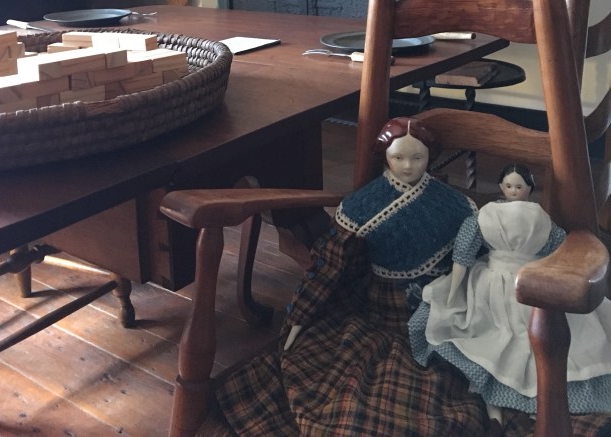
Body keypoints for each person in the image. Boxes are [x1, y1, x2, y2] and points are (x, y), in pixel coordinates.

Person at [214, 117, 490, 436]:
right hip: (379, 307)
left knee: (448, 380)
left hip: (439, 308)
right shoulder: (364, 205)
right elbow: (329, 265)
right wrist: (299, 319)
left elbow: (476, 254)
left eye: (418, 157)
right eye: (398, 157)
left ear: (431, 157)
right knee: (341, 373)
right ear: (384, 156)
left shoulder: (453, 204)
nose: (408, 166)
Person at [409, 162, 611, 426]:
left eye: (519, 186)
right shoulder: (531, 219)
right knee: (500, 337)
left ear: (529, 188)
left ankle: (505, 403)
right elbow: (462, 257)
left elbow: (560, 251)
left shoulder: (519, 218)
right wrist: (453, 290)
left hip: (515, 281)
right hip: (510, 281)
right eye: (509, 186)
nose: (514, 191)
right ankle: (500, 403)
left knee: (512, 339)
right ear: (501, 186)